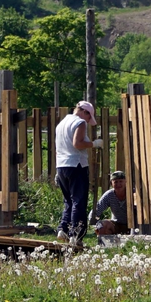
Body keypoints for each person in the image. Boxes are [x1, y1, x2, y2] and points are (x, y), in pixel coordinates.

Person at [53, 100, 94, 242]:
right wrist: (93, 144)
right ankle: (76, 235)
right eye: (89, 117)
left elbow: (58, 148)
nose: (88, 121)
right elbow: (77, 144)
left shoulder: (61, 124)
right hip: (76, 165)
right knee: (78, 201)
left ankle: (63, 229)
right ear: (84, 112)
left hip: (61, 165)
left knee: (68, 201)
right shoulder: (79, 123)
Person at [91, 170, 129, 236]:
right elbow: (97, 209)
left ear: (125, 182)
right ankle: (105, 243)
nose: (118, 184)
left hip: (133, 226)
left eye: (121, 181)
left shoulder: (132, 193)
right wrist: (94, 222)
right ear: (111, 184)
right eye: (115, 182)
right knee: (103, 225)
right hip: (116, 224)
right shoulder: (109, 195)